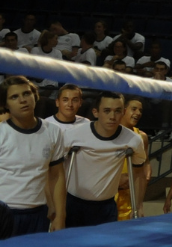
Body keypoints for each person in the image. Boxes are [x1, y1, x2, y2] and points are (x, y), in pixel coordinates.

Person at [62, 92, 147, 228]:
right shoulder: (74, 135)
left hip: (107, 207)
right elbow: (56, 170)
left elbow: (138, 174)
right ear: (96, 112)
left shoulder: (133, 140)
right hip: (74, 204)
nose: (112, 117)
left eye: (117, 111)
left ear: (123, 112)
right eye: (107, 111)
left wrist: (138, 207)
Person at [0, 76, 68, 235]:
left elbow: (57, 175)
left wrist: (60, 215)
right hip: (4, 212)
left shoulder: (53, 131)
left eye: (26, 93)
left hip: (39, 213)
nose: (22, 100)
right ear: (5, 104)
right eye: (14, 97)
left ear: (35, 95)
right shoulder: (2, 133)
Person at [115, 97, 150, 220]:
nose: (138, 113)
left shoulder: (141, 137)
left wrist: (139, 205)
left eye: (140, 110)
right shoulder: (109, 132)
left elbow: (145, 165)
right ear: (123, 110)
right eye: (134, 109)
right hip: (108, 195)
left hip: (130, 197)